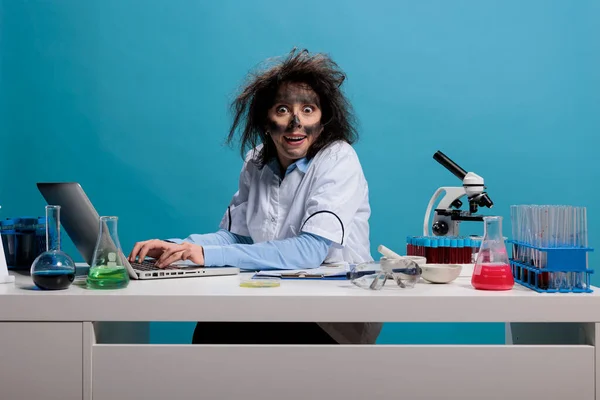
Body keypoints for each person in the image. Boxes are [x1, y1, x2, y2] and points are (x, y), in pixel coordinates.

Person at [128, 48, 381, 345]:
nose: (295, 122)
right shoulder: (256, 161)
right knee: (211, 330)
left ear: (323, 120)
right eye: (283, 110)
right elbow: (239, 237)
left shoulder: (338, 158)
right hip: (274, 301)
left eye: (308, 110)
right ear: (265, 120)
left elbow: (311, 250)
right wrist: (180, 247)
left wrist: (207, 256)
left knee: (227, 336)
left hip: (327, 317)